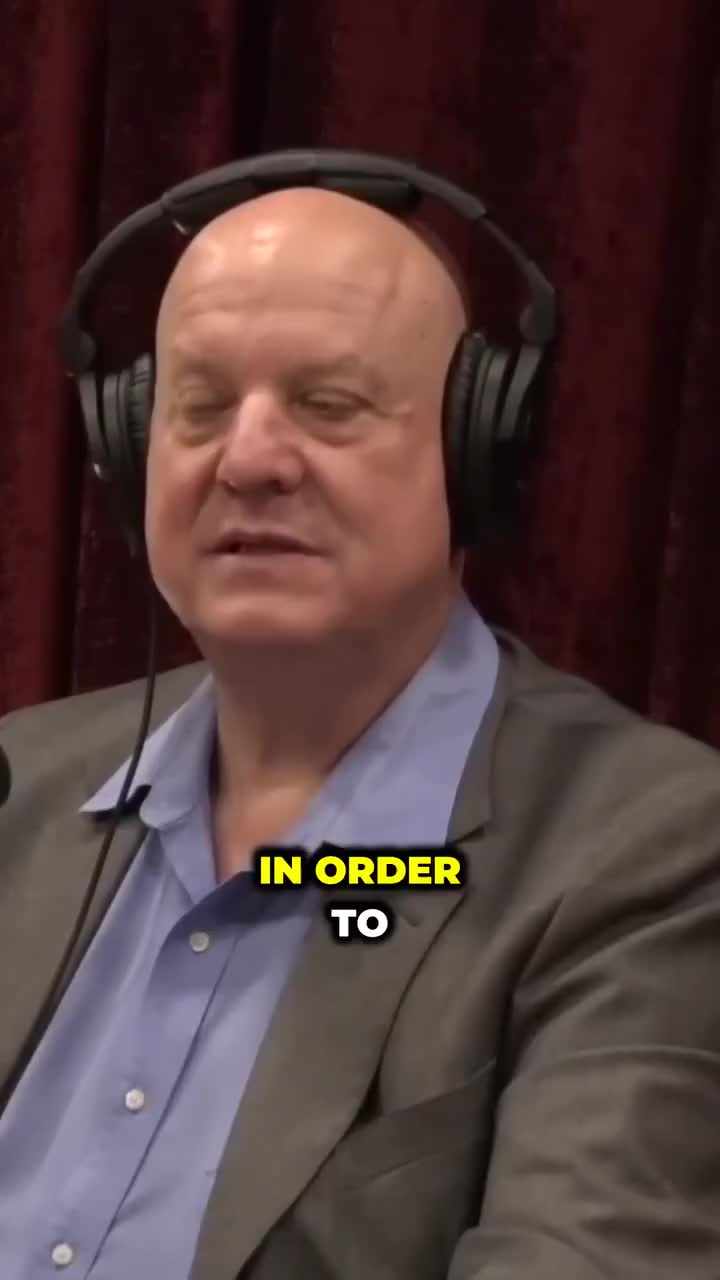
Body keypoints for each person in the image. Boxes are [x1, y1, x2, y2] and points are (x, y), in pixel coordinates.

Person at [1, 183, 720, 1280]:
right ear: (128, 445)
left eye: (328, 403)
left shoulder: (648, 852)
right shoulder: (20, 781)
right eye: (199, 404)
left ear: (477, 449)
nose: (248, 458)